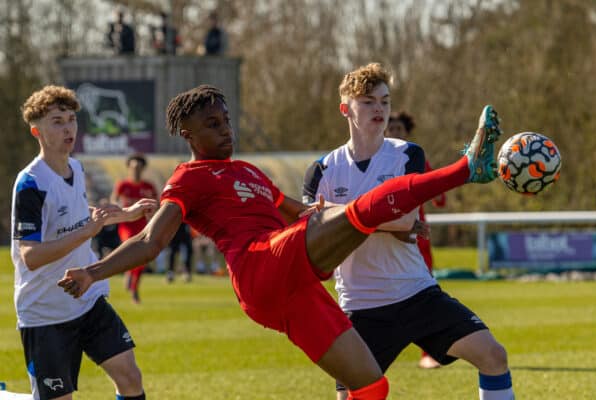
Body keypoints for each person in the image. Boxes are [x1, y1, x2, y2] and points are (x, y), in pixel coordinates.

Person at [59, 82, 502, 400]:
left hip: (292, 284)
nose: (225, 129)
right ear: (188, 135)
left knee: (370, 386)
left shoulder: (249, 171)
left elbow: (309, 215)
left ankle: (444, 178)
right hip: (259, 267)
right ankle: (467, 167)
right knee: (359, 210)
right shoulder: (186, 179)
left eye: (226, 120)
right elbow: (152, 243)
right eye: (212, 124)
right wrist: (92, 271)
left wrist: (394, 223)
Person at [302, 63, 514, 400]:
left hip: (416, 293)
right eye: (368, 101)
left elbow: (405, 221)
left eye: (385, 101)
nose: (379, 109)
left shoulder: (407, 155)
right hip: (361, 306)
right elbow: (312, 233)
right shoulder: (323, 170)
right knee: (351, 396)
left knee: (493, 356)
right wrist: (368, 220)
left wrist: (334, 214)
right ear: (346, 109)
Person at [12, 85, 157, 400]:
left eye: (71, 119)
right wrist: (85, 233)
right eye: (57, 121)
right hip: (45, 314)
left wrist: (127, 214)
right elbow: (30, 256)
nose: (68, 128)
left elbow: (84, 216)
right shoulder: (30, 184)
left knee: (130, 377)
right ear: (37, 131)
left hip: (87, 301)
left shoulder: (75, 168)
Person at [384, 110, 447, 369]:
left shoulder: (415, 157)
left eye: (400, 129)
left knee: (424, 289)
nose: (396, 133)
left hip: (416, 234)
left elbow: (438, 194)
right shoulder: (378, 159)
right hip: (384, 235)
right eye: (392, 128)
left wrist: (438, 194)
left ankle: (428, 353)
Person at [111, 153, 158, 303]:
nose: (136, 170)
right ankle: (130, 278)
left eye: (139, 168)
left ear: (143, 169)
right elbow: (114, 200)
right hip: (126, 226)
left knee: (142, 258)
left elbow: (157, 204)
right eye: (133, 168)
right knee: (133, 250)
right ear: (129, 168)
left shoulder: (149, 187)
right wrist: (117, 208)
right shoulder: (123, 186)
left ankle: (134, 287)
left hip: (143, 226)